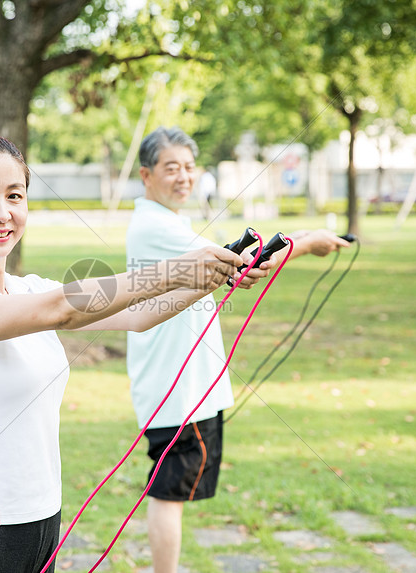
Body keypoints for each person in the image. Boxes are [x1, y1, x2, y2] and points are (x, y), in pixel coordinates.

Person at [0, 132, 270, 573]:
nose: (2, 213)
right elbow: (63, 308)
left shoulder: (28, 289)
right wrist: (179, 266)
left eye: (15, 196)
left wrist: (213, 275)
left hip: (39, 517)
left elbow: (137, 315)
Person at [126, 126, 350, 573]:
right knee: (169, 492)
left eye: (190, 167)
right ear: (147, 175)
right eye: (172, 168)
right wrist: (307, 242)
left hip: (182, 386)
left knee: (173, 490)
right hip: (178, 388)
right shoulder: (154, 226)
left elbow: (229, 264)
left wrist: (296, 238)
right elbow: (236, 265)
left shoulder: (168, 223)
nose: (183, 177)